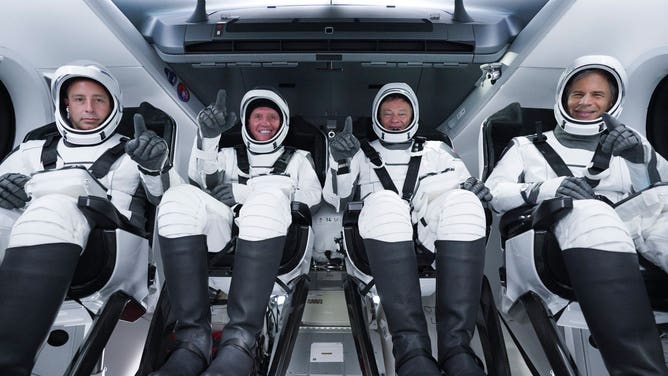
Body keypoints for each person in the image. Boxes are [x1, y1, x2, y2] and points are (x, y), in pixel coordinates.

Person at [485, 55, 668, 375]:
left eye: (598, 95)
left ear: (613, 102)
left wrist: (640, 162)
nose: (586, 102)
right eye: (578, 94)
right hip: (558, 231)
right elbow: (495, 194)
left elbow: (657, 196)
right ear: (563, 97)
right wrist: (548, 189)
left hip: (636, 229)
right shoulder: (525, 146)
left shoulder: (632, 143)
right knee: (594, 212)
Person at [0, 61, 172, 374]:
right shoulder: (31, 150)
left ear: (113, 105)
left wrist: (155, 167)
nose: (89, 108)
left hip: (109, 257)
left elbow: (167, 200)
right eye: (80, 99)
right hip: (29, 251)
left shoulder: (133, 151)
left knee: (55, 207)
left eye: (99, 100)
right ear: (66, 103)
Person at [323, 82, 492, 376]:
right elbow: (336, 197)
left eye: (402, 112)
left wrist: (475, 190)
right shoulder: (359, 152)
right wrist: (341, 162)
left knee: (464, 202)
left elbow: (464, 184)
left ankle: (457, 349)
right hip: (380, 238)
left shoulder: (437, 150)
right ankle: (411, 350)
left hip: (430, 238)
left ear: (414, 115)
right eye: (388, 113)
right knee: (386, 202)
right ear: (377, 116)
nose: (395, 119)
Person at [151, 87, 321, 375]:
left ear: (284, 123)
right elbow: (202, 180)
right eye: (258, 116)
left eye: (272, 117)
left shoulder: (299, 159)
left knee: (267, 200)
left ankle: (240, 343)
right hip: (224, 236)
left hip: (278, 239)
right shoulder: (228, 154)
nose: (265, 122)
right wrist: (208, 139)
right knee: (176, 198)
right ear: (246, 121)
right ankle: (191, 341)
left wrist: (243, 192)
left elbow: (312, 198)